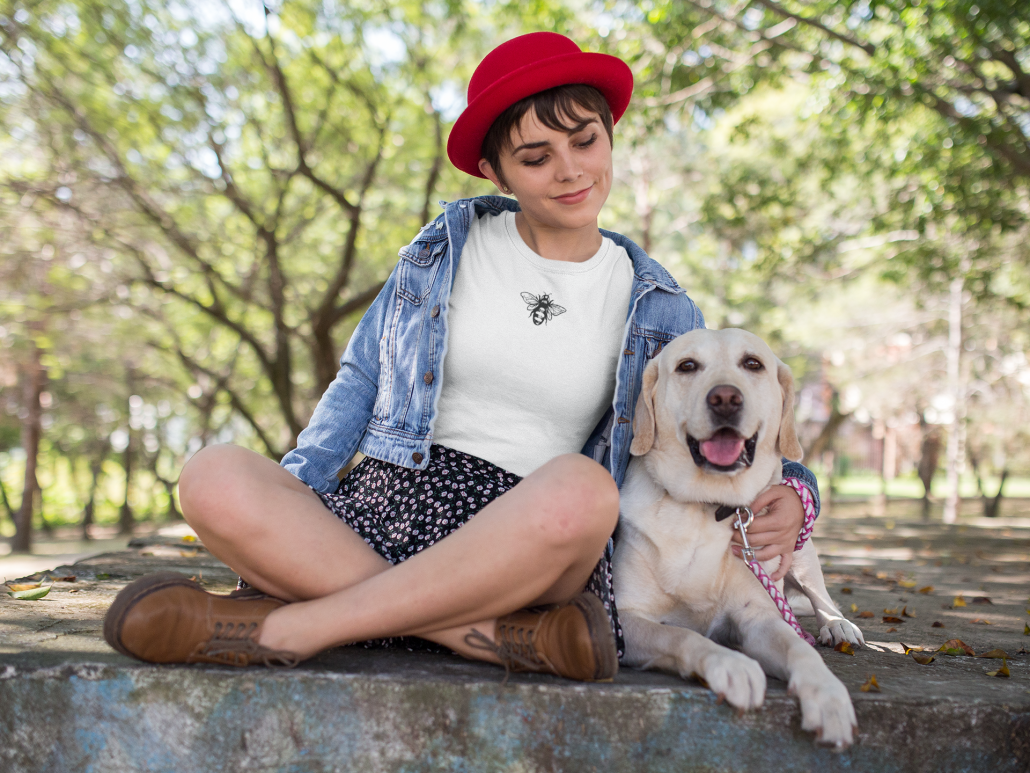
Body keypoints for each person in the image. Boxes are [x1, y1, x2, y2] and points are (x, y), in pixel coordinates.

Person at [103, 32, 821, 681]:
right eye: (536, 156)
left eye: (585, 141)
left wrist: (797, 492)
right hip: (385, 503)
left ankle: (295, 624)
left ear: (610, 137)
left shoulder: (662, 308)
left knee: (587, 491)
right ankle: (488, 636)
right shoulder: (441, 249)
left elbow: (731, 422)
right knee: (211, 474)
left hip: (527, 534)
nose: (569, 171)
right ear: (495, 170)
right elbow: (358, 380)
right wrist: (292, 502)